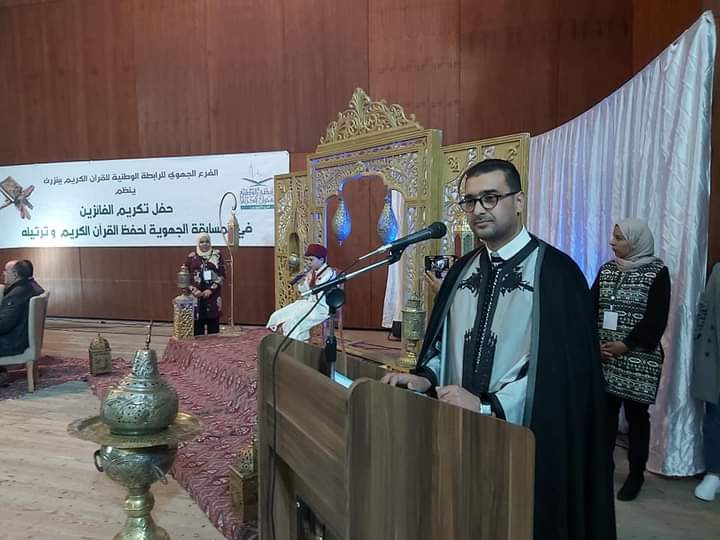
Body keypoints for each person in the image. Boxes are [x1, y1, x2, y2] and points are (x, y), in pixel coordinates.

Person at [381, 159, 615, 540]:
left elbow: (559, 380)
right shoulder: (461, 272)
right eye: (470, 201)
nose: (478, 209)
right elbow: (443, 344)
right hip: (459, 438)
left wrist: (487, 406)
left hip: (527, 449)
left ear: (518, 201)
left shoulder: (558, 275)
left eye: (490, 198)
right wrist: (425, 378)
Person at [591, 219, 671, 501]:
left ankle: (636, 475)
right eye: (613, 237)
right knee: (605, 416)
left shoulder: (657, 272)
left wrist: (626, 345)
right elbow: (590, 307)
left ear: (636, 242)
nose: (612, 242)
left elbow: (656, 318)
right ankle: (603, 469)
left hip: (639, 360)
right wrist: (595, 344)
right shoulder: (607, 270)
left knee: (637, 418)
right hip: (605, 357)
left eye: (619, 238)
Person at [691, 263, 720, 501]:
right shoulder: (719, 271)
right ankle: (714, 473)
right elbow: (705, 306)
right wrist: (699, 335)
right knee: (714, 416)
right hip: (715, 357)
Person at [267, 244, 336, 342]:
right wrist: (301, 282)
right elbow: (306, 293)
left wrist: (310, 281)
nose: (309, 263)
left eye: (311, 260)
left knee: (294, 320)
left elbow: (317, 291)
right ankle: (286, 342)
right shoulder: (311, 272)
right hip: (308, 303)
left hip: (321, 307)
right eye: (307, 260)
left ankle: (298, 346)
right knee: (279, 314)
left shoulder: (329, 273)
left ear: (321, 260)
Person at [0, 260, 45, 384]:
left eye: (6, 271)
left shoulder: (17, 294)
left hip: (12, 342)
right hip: (23, 339)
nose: (3, 273)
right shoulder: (33, 287)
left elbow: (3, 325)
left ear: (15, 274)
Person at [185, 233, 225, 336]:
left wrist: (210, 290)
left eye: (207, 241)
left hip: (212, 296)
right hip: (196, 297)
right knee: (198, 331)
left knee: (213, 331)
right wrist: (193, 290)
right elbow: (185, 276)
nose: (204, 244)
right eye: (202, 242)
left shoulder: (217, 255)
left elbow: (222, 276)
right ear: (198, 243)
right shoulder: (191, 257)